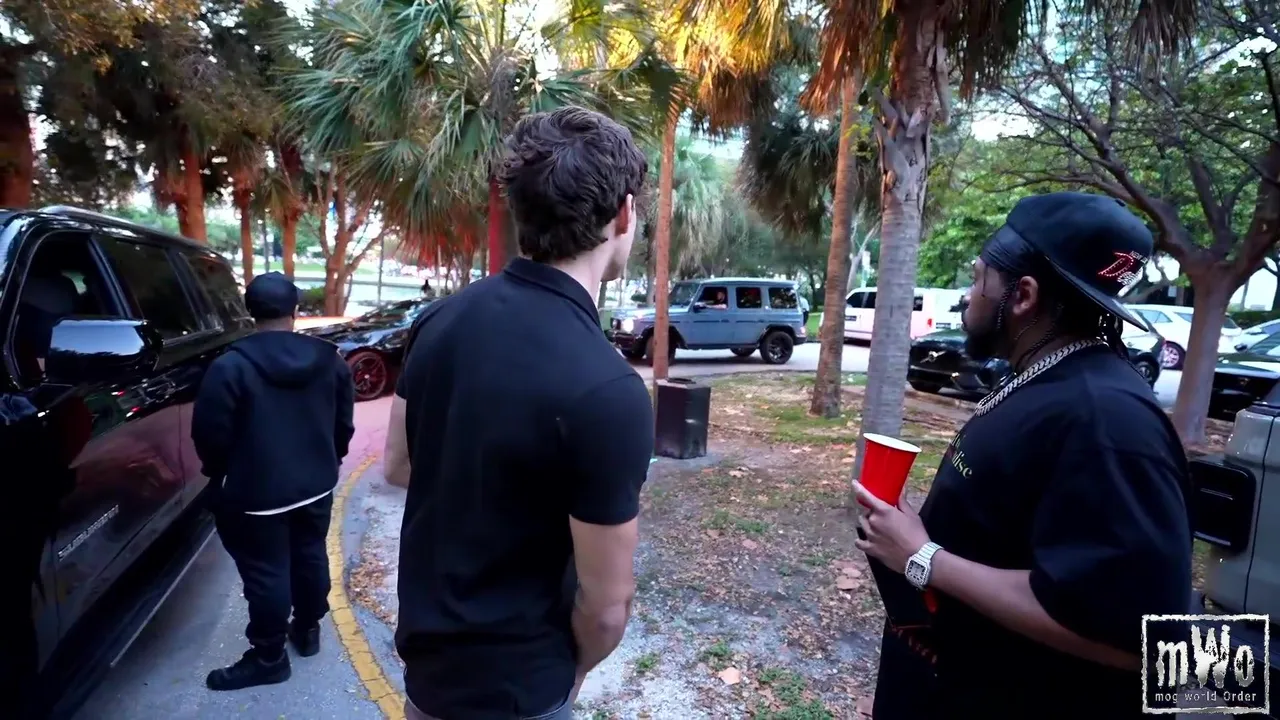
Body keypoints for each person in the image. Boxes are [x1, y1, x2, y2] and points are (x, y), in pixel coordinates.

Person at [853, 192, 1192, 719]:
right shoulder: (1047, 378)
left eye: (978, 279)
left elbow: (1136, 636)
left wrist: (923, 559)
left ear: (1023, 295)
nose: (968, 298)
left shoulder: (1106, 418)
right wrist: (918, 534)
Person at [384, 107, 654, 720]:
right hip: (522, 689)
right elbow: (606, 607)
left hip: (428, 675)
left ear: (521, 210)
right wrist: (573, 672)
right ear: (624, 215)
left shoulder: (438, 322)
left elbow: (398, 465)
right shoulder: (608, 390)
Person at [192, 272, 355, 692]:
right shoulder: (331, 360)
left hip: (255, 493)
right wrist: (330, 460)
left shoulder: (230, 366)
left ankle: (269, 658)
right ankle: (308, 629)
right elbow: (343, 423)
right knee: (310, 554)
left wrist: (221, 474)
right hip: (316, 484)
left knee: (267, 573)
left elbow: (210, 435)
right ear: (295, 309)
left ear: (250, 311)